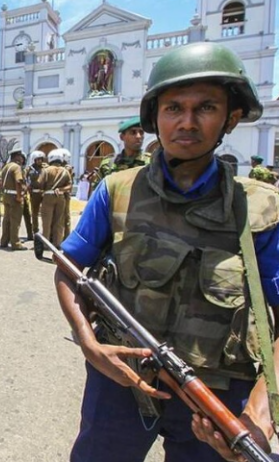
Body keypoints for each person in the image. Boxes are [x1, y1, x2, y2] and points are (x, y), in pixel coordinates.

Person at [55, 42, 279, 462]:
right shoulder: (118, 190)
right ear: (155, 117)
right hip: (122, 380)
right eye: (174, 108)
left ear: (231, 117)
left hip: (219, 394)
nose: (187, 122)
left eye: (206, 108)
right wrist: (90, 344)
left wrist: (260, 413)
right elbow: (69, 267)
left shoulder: (260, 207)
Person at [92, 116, 151, 187]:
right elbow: (98, 191)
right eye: (133, 132)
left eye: (141, 132)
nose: (138, 136)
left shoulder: (152, 162)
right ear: (122, 137)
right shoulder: (108, 164)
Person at [35, 148, 72, 259]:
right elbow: (69, 186)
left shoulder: (46, 170)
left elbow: (39, 183)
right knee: (59, 221)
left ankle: (46, 244)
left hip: (48, 196)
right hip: (60, 196)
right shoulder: (65, 171)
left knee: (46, 221)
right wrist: (61, 189)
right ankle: (57, 243)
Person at [0, 149, 27, 250]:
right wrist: (19, 196)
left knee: (6, 220)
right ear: (17, 156)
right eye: (20, 156)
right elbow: (18, 181)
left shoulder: (5, 167)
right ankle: (15, 242)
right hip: (14, 196)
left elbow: (1, 182)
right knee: (15, 220)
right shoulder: (16, 167)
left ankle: (4, 241)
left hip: (6, 195)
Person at [26, 150, 47, 235]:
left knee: (45, 212)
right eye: (37, 159)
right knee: (34, 213)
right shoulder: (29, 169)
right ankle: (35, 230)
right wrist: (28, 186)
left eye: (41, 159)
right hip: (34, 193)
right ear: (34, 160)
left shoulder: (45, 168)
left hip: (44, 193)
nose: (39, 161)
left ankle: (46, 230)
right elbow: (25, 179)